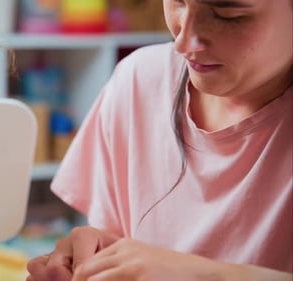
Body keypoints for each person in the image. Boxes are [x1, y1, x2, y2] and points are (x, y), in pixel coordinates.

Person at [27, 0, 292, 280]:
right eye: (177, 2)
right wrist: (95, 258)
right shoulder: (139, 80)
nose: (183, 42)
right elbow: (118, 243)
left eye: (227, 14)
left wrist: (206, 275)